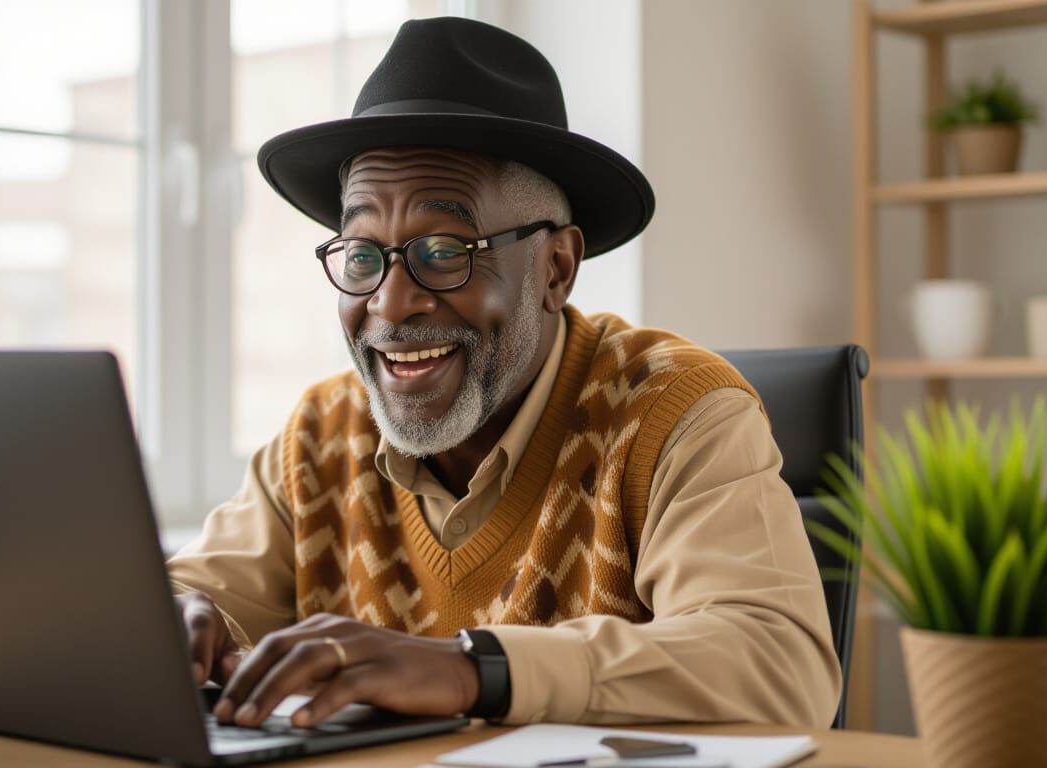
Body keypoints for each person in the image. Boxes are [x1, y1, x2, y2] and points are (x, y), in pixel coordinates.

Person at [168, 16, 841, 729]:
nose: (391, 303)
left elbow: (780, 666)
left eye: (443, 249)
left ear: (557, 268)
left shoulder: (676, 412)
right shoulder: (320, 436)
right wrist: (177, 621)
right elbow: (195, 594)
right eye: (363, 256)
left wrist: (474, 669)